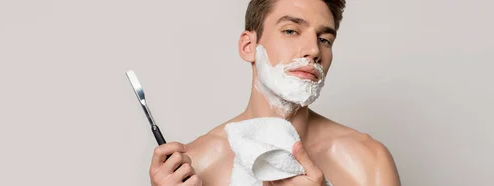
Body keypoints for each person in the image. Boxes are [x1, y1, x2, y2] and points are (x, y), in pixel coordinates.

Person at [148, 0, 401, 185]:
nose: (313, 49)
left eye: (325, 39)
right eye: (291, 31)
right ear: (249, 46)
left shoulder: (368, 161)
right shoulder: (192, 167)